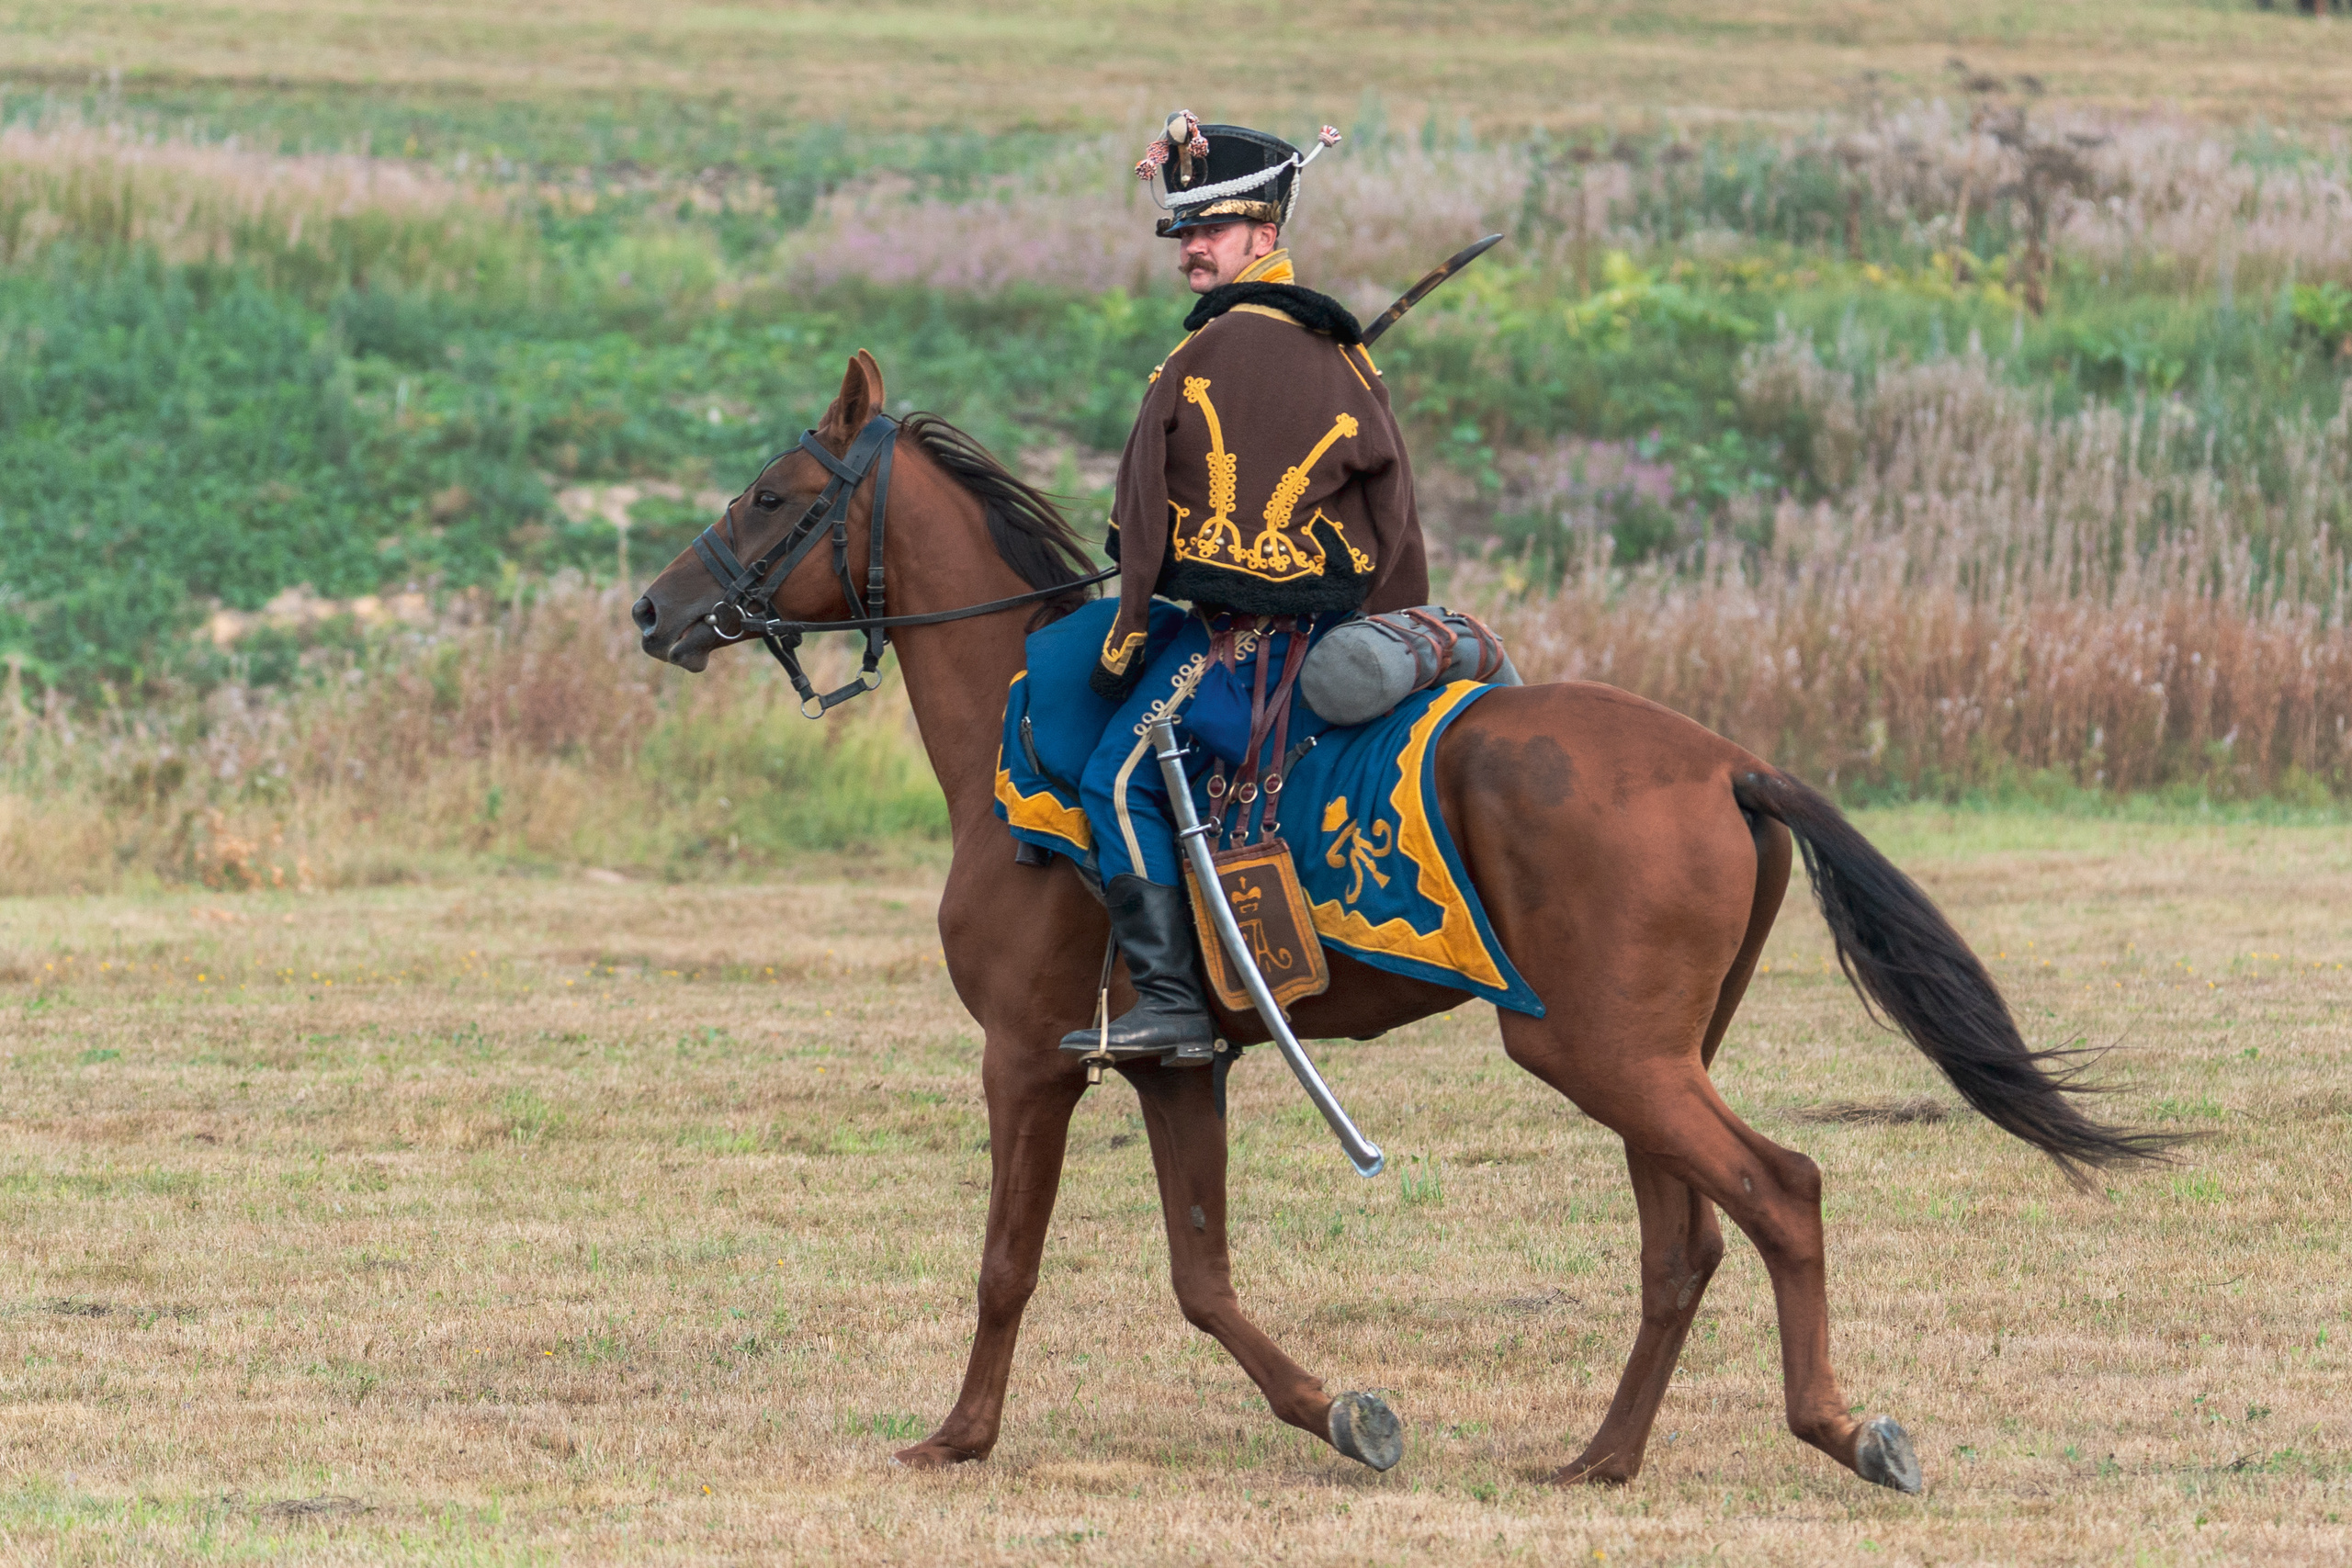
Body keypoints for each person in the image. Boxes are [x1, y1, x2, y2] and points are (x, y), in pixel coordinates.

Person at [1056, 112, 1430, 1062]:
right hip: (1334, 631)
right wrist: (1393, 631)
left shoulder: (1192, 360)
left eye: (1209, 230)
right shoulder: (1349, 359)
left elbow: (1134, 522)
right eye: (1183, 233)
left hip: (1240, 646)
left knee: (1118, 778)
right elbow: (1398, 517)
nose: (1191, 249)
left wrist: (1126, 634)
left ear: (1266, 234)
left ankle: (1173, 1001)